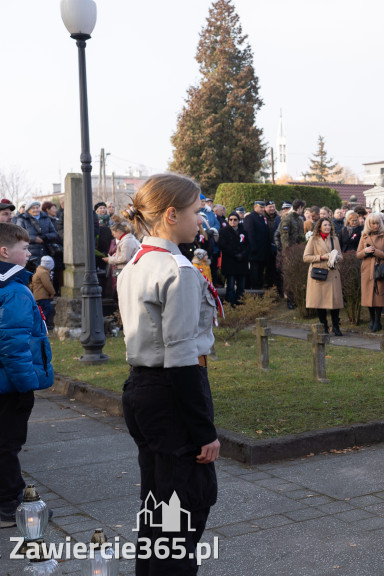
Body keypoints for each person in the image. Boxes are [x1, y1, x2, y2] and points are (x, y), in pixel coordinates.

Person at [117, 173, 220, 575]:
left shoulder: (136, 263)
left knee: (158, 510)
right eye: (197, 212)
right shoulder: (177, 271)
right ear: (172, 215)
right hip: (173, 393)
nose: (202, 219)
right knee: (183, 513)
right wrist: (204, 430)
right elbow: (181, 358)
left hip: (143, 389)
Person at [0, 223, 54, 530]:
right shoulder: (16, 290)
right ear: (5, 252)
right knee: (7, 444)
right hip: (12, 385)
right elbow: (13, 343)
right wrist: (25, 386)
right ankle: (10, 505)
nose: (29, 252)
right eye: (24, 248)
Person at [304, 217, 345, 336]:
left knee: (335, 302)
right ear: (320, 226)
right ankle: (324, 326)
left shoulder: (335, 239)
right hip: (319, 274)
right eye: (325, 225)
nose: (328, 227)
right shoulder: (313, 239)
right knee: (320, 302)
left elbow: (341, 256)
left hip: (332, 273)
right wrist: (321, 257)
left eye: (329, 225)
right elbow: (306, 257)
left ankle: (336, 327)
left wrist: (335, 257)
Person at [357, 213, 384, 333]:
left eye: (378, 223)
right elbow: (358, 254)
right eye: (373, 223)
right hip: (367, 269)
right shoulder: (364, 236)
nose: (376, 225)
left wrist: (376, 252)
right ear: (368, 224)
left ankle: (378, 320)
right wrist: (365, 251)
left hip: (380, 269)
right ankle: (371, 319)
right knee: (368, 296)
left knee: (379, 296)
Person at [218, 211, 250, 306]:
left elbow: (248, 245)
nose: (233, 221)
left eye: (235, 220)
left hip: (242, 262)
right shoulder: (223, 231)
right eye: (230, 219)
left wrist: (242, 254)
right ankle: (230, 303)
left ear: (238, 221)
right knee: (230, 285)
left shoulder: (244, 231)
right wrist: (235, 254)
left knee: (241, 285)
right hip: (230, 261)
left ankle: (240, 302)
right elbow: (223, 245)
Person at [15, 201, 59, 267]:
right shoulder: (22, 219)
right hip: (30, 253)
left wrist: (45, 237)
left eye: (37, 208)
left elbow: (54, 234)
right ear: (28, 210)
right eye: (33, 208)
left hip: (46, 252)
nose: (36, 210)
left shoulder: (46, 218)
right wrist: (34, 239)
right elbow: (18, 235)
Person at [243, 200, 271, 289]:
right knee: (254, 270)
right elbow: (250, 233)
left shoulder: (262, 218)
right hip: (255, 250)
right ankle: (254, 288)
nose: (263, 209)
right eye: (261, 207)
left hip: (262, 250)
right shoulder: (250, 218)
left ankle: (259, 287)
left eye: (263, 207)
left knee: (260, 271)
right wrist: (253, 248)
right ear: (255, 207)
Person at [31, 255, 57, 329]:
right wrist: (53, 292)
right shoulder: (43, 273)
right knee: (48, 309)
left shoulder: (37, 270)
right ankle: (42, 323)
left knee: (42, 310)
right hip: (42, 296)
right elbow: (47, 284)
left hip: (36, 295)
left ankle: (43, 324)